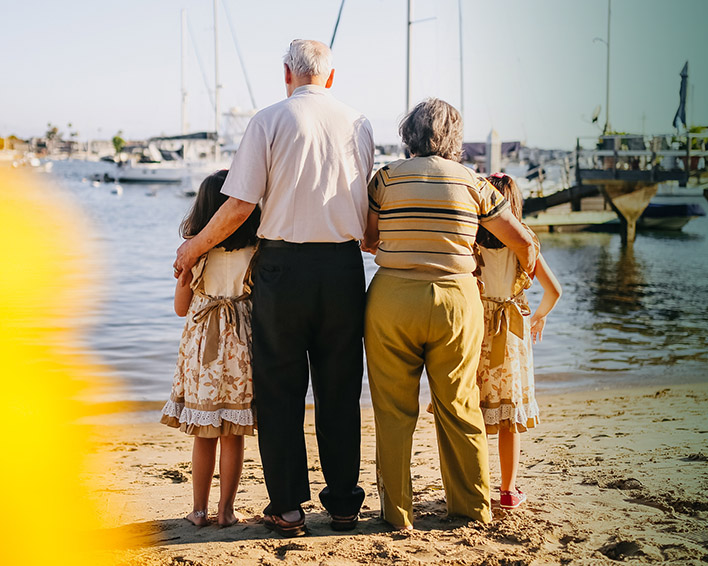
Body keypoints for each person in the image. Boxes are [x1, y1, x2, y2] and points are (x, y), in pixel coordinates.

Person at [172, 39, 375, 537]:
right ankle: (345, 504)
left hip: (282, 269)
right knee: (340, 389)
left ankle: (286, 508)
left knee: (282, 391)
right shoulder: (360, 123)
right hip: (344, 268)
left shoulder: (268, 120)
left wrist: (193, 247)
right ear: (330, 76)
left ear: (287, 73)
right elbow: (368, 218)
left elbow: (239, 206)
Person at [362, 98, 538, 530]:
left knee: (393, 411)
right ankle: (470, 508)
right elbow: (524, 243)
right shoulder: (475, 184)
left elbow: (367, 239)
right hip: (457, 303)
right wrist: (521, 283)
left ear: (409, 134)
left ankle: (397, 512)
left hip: (392, 300)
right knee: (460, 407)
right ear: (455, 139)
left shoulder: (384, 179)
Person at [161, 169, 261, 527]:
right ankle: (227, 511)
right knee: (233, 433)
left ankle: (199, 510)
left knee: (204, 435)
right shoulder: (256, 248)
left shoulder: (195, 252)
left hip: (203, 343)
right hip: (240, 342)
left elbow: (181, 308)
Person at [475, 172, 561, 509]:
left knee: (477, 414)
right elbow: (554, 290)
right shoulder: (525, 243)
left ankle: (477, 488)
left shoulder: (472, 242)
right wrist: (539, 316)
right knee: (509, 421)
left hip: (480, 330)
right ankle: (509, 491)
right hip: (512, 333)